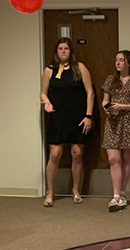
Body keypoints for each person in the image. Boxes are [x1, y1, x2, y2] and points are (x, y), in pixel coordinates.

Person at [40, 37, 95, 207]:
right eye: (60, 48)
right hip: (58, 118)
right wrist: (46, 103)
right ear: (56, 51)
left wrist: (89, 116)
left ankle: (76, 190)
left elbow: (90, 93)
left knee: (77, 154)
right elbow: (43, 93)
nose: (63, 51)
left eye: (66, 48)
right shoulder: (49, 70)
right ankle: (50, 193)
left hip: (78, 118)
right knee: (55, 154)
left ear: (71, 51)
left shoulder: (80, 68)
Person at [102, 50, 130, 212]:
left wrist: (122, 106)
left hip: (129, 122)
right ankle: (115, 196)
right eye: (116, 60)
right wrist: (107, 109)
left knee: (127, 158)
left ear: (128, 62)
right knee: (113, 158)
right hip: (113, 123)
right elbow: (105, 100)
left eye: (121, 60)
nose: (118, 63)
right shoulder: (110, 80)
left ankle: (122, 193)